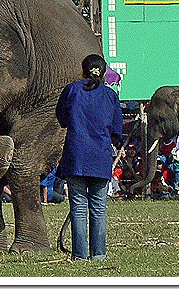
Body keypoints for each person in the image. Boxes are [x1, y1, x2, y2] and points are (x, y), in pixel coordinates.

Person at [55, 54, 123, 261]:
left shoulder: (72, 90)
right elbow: (117, 132)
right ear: (103, 73)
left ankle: (79, 255)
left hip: (76, 156)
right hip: (100, 157)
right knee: (98, 208)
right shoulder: (110, 96)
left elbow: (62, 118)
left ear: (83, 71)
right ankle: (99, 254)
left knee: (78, 206)